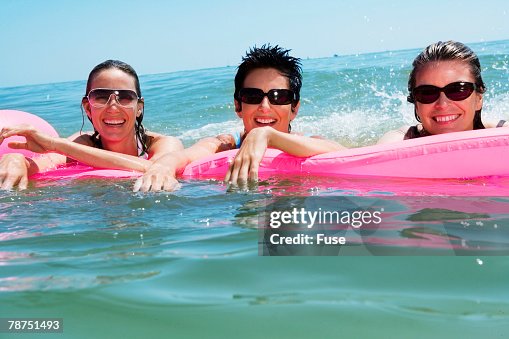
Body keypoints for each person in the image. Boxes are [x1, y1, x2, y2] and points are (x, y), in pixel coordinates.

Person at [134, 45, 345, 192]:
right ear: (238, 105)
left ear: (294, 109)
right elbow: (187, 155)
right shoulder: (225, 144)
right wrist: (162, 167)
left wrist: (269, 136)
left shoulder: (310, 141)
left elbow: (342, 154)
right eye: (252, 96)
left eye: (278, 96)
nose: (265, 107)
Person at [0, 60, 183, 190]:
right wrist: (15, 159)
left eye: (125, 97)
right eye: (101, 97)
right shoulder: (82, 143)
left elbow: (156, 167)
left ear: (139, 108)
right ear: (88, 107)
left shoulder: (163, 144)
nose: (113, 106)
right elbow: (44, 163)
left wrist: (57, 145)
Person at [377, 40, 506, 144]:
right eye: (427, 93)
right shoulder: (400, 141)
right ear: (416, 105)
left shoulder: (503, 134)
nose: (442, 104)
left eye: (458, 90)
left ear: (478, 98)